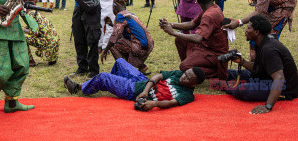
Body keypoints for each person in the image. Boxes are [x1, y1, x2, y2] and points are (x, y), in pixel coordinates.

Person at [63, 58, 206, 111]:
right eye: (185, 74)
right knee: (119, 62)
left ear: (193, 85)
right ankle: (114, 85)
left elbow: (172, 103)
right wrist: (145, 90)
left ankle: (79, 88)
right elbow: (157, 76)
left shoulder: (187, 95)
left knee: (103, 77)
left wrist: (154, 104)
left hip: (132, 90)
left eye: (188, 79)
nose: (183, 77)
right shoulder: (178, 74)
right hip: (141, 81)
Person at [224, 15, 298, 114]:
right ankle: (226, 84)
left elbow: (279, 78)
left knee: (241, 90)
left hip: (284, 88)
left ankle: (227, 86)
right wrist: (241, 61)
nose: (245, 30)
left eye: (248, 28)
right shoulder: (262, 42)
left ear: (256, 32)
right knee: (227, 73)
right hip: (266, 77)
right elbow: (258, 69)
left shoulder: (269, 49)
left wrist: (268, 106)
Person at [160, 0, 229, 79]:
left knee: (184, 66)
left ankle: (214, 71)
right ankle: (191, 67)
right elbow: (192, 24)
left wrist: (172, 32)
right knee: (180, 40)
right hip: (206, 47)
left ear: (197, 1)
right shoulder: (211, 8)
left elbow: (198, 38)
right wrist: (170, 24)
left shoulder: (209, 15)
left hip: (214, 53)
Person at [101, 0, 154, 73]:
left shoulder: (120, 16)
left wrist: (105, 51)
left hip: (139, 47)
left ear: (114, 8)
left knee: (113, 45)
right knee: (123, 43)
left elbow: (114, 36)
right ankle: (142, 67)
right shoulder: (130, 14)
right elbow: (125, 32)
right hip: (149, 45)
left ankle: (125, 71)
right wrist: (113, 25)